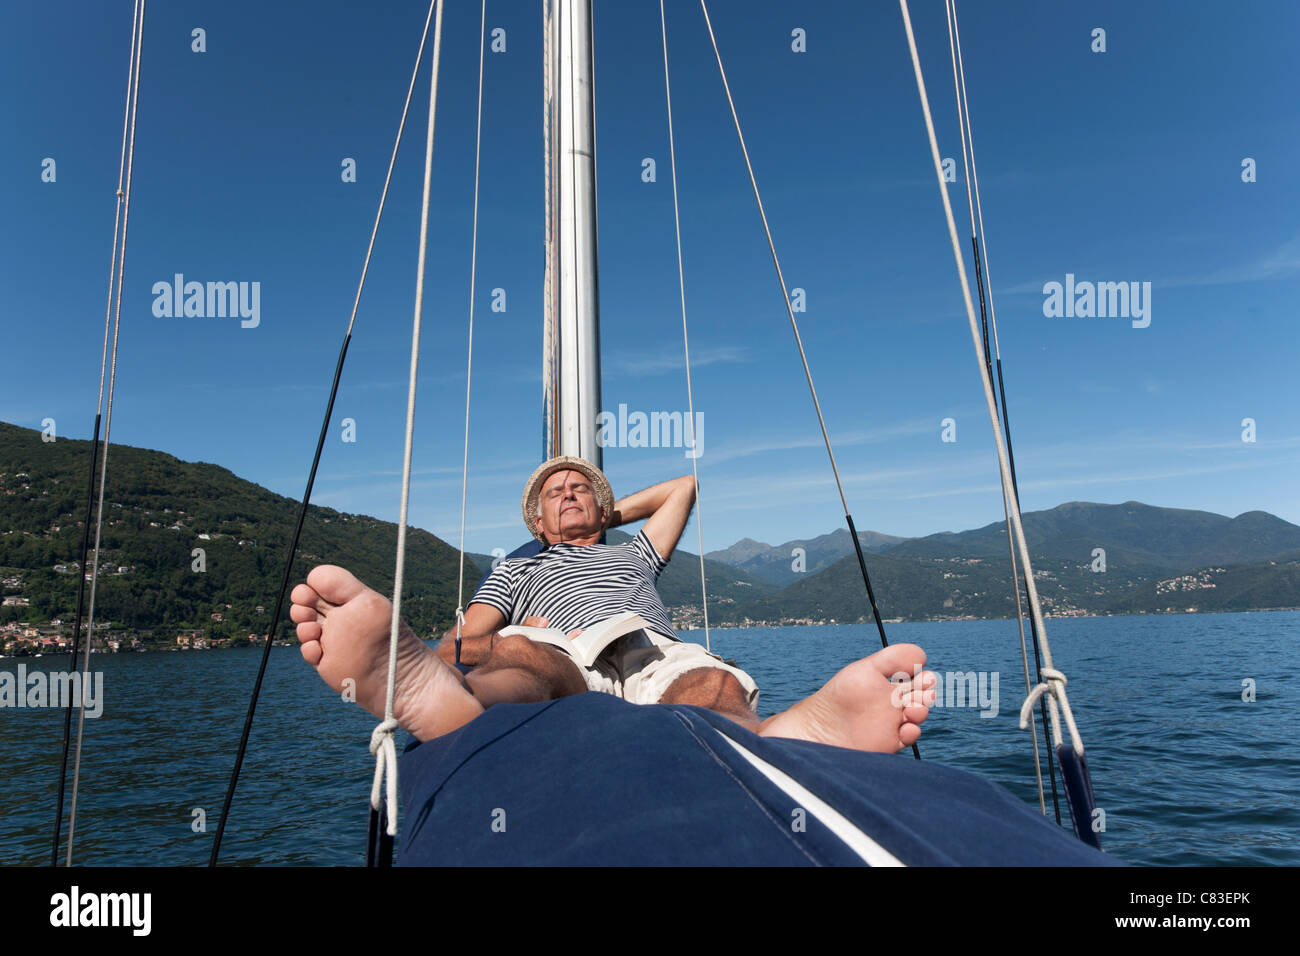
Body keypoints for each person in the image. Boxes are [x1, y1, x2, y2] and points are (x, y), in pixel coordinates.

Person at [291, 456, 935, 751]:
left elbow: (682, 487)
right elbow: (461, 642)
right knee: (523, 656)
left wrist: (597, 513)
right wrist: (461, 650)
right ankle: (451, 704)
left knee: (707, 680)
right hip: (563, 646)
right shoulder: (518, 567)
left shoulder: (634, 555)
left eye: (579, 489)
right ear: (536, 522)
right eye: (554, 493)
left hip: (653, 649)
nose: (567, 493)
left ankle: (768, 740)